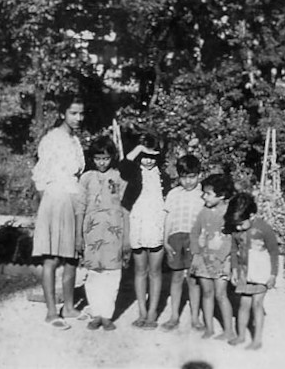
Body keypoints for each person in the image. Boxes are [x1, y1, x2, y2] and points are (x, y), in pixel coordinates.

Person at [31, 94, 86, 330]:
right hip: (56, 198)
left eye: (81, 113)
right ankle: (52, 311)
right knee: (52, 257)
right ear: (63, 113)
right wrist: (51, 205)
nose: (78, 118)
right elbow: (40, 177)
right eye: (73, 113)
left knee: (73, 256)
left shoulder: (75, 140)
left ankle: (71, 307)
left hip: (74, 198)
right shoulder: (52, 139)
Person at [76, 135, 130, 331]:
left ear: (112, 157)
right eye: (98, 158)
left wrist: (126, 239)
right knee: (93, 274)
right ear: (92, 158)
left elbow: (125, 208)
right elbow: (80, 208)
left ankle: (107, 314)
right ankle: (96, 312)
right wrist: (78, 236)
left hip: (114, 233)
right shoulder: (86, 178)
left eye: (105, 158)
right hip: (91, 233)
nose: (101, 162)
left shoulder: (119, 177)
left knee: (112, 274)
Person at [119, 133, 166, 330]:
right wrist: (140, 149)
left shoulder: (164, 177)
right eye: (145, 156)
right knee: (140, 270)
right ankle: (142, 311)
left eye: (152, 156)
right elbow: (122, 165)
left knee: (155, 271)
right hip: (138, 224)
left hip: (157, 225)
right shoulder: (134, 172)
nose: (148, 160)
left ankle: (153, 312)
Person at [224, 192, 279, 350]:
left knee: (257, 304)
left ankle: (257, 340)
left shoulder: (264, 228)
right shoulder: (237, 229)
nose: (238, 227)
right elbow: (234, 250)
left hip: (261, 273)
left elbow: (274, 251)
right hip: (244, 272)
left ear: (252, 215)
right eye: (236, 224)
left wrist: (273, 274)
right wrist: (234, 269)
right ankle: (241, 336)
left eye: (241, 223)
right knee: (244, 304)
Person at [189, 174, 236, 341]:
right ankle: (209, 328)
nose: (204, 196)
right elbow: (194, 232)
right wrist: (195, 252)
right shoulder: (204, 212)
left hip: (221, 261)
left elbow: (231, 239)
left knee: (221, 294)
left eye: (208, 194)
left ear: (221, 195)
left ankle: (229, 330)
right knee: (207, 293)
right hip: (203, 259)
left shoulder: (230, 213)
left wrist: (220, 258)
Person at [161, 155, 205, 332]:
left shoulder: (203, 194)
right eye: (184, 177)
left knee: (194, 279)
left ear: (199, 175)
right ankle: (174, 316)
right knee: (177, 277)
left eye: (192, 176)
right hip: (176, 238)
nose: (188, 181)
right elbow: (168, 217)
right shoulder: (173, 194)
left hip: (195, 239)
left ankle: (195, 317)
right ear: (179, 176)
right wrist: (165, 241)